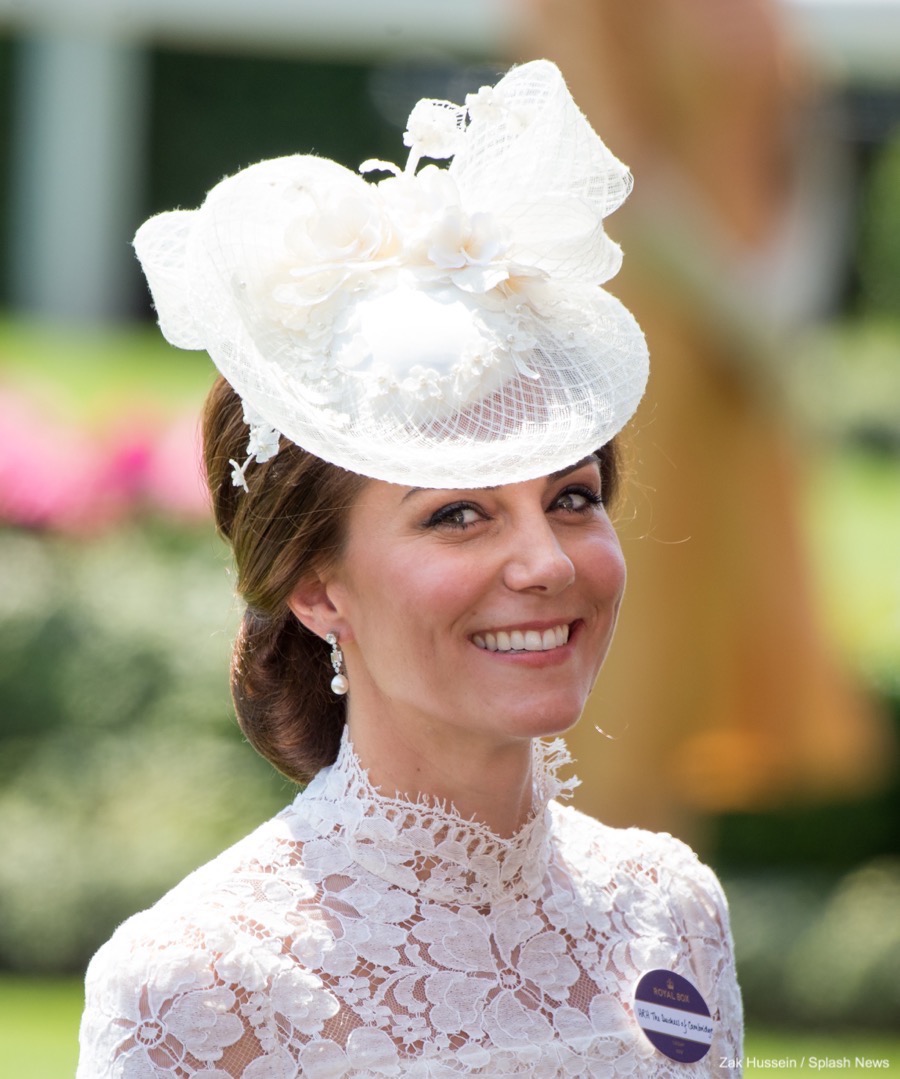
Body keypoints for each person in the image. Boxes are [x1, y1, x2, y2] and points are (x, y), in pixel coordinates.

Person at [77, 60, 742, 1077]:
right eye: (460, 514)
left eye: (571, 496)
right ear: (315, 586)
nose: (544, 561)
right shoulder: (202, 984)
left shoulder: (673, 908)